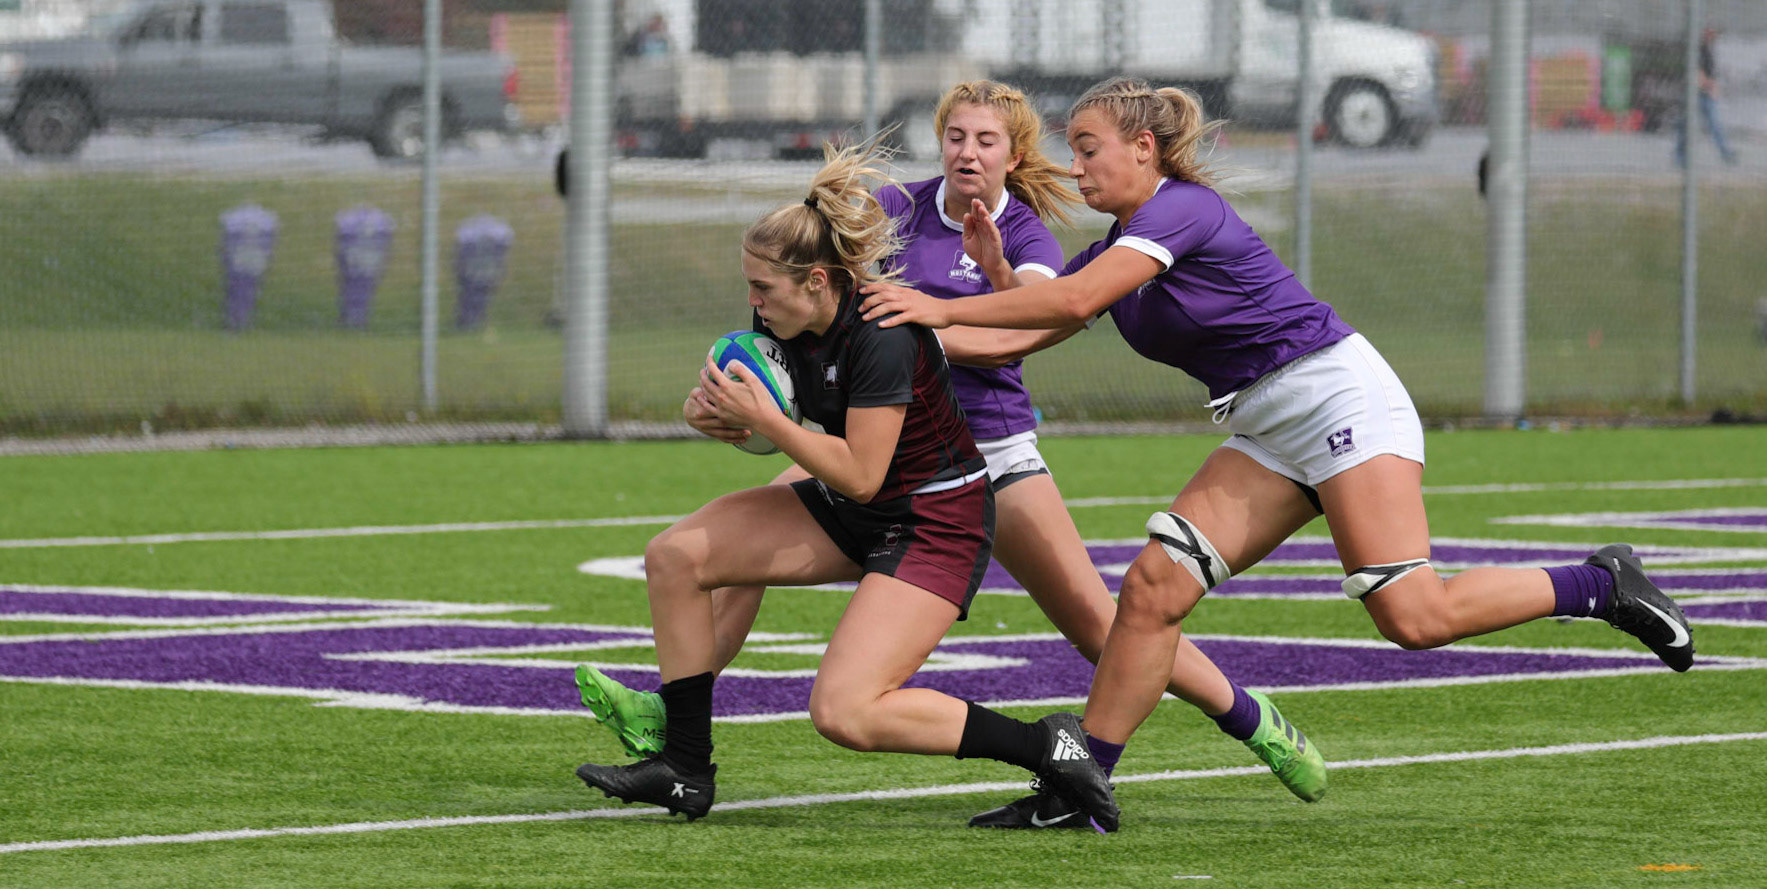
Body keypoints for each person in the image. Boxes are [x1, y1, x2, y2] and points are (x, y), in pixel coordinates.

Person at [858, 76, 1696, 825]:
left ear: (1143, 149)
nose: (1076, 169)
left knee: (1412, 615)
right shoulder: (1115, 243)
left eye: (1087, 149)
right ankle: (1083, 785)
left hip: (1336, 398)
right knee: (1152, 589)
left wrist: (932, 309)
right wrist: (996, 274)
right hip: (1268, 423)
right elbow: (1036, 327)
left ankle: (1600, 582)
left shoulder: (1179, 208)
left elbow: (1071, 299)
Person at [575, 80, 1328, 829]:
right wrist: (723, 408)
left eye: (986, 140)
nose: (968, 152)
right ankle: (680, 718)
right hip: (878, 441)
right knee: (718, 548)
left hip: (983, 456)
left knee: (1099, 626)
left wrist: (937, 318)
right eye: (956, 136)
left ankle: (1244, 714)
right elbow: (814, 298)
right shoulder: (897, 209)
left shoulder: (1023, 234)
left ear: (1014, 154)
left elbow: (1020, 329)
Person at [573, 138, 1118, 830]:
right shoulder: (782, 318)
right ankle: (684, 768)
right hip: (855, 507)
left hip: (933, 523)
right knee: (675, 555)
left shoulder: (881, 331)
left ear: (819, 282)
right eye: (750, 285)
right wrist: (712, 415)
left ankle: (1045, 742)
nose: (752, 300)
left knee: (844, 711)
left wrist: (767, 417)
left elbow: (862, 472)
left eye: (762, 288)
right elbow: (771, 433)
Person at [1675, 27, 1738, 167]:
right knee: (1686, 124)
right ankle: (1680, 157)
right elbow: (1697, 71)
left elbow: (1710, 72)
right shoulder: (1700, 49)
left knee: (1713, 125)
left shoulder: (1710, 49)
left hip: (1705, 93)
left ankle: (1725, 152)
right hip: (1697, 93)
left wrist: (1714, 87)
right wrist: (1708, 86)